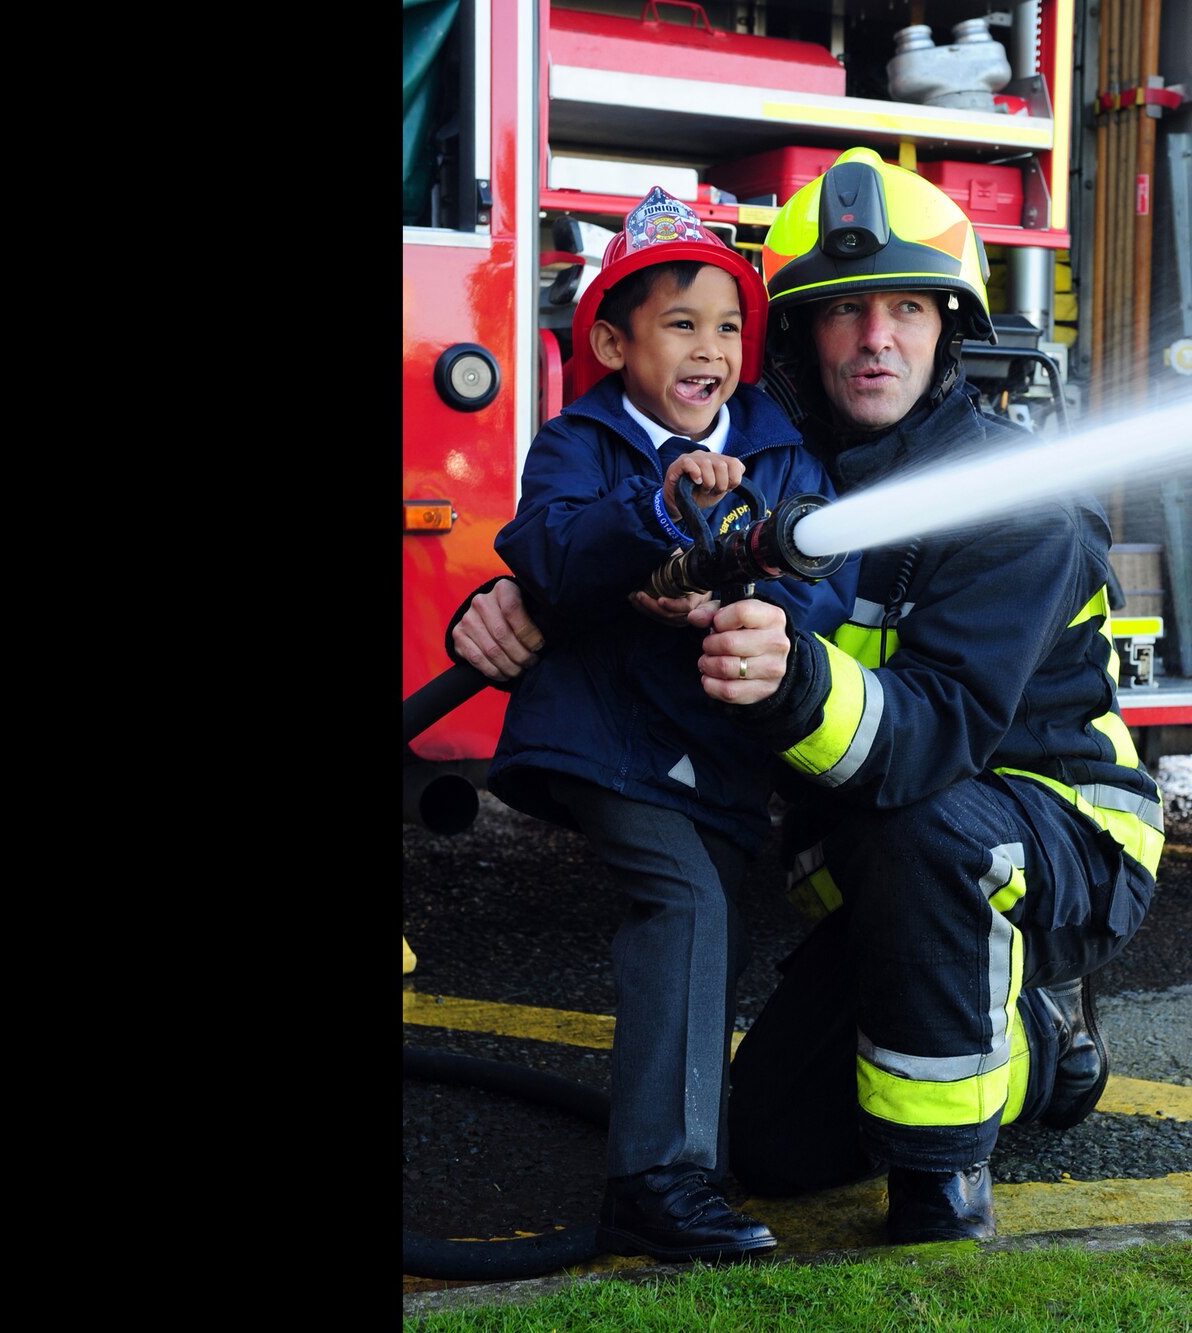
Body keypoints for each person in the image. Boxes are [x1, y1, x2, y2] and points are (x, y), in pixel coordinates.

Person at [449, 148, 1161, 1246]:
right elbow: (629, 522)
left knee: (927, 830)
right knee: (773, 1151)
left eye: (906, 310)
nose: (874, 339)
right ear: (798, 336)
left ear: (950, 329)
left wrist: (793, 677)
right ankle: (989, 1012)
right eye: (842, 313)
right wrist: (531, 589)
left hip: (1045, 827)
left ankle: (944, 1176)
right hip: (868, 855)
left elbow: (930, 742)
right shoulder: (787, 469)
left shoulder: (1015, 505)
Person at [446, 185, 855, 1264]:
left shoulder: (774, 453)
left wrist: (736, 605)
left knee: (705, 914)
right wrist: (662, 510)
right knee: (679, 898)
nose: (710, 348)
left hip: (709, 758)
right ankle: (657, 1183)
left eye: (728, 327)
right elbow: (548, 551)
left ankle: (683, 1163)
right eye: (680, 323)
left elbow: (826, 584)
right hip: (602, 739)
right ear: (614, 343)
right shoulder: (580, 441)